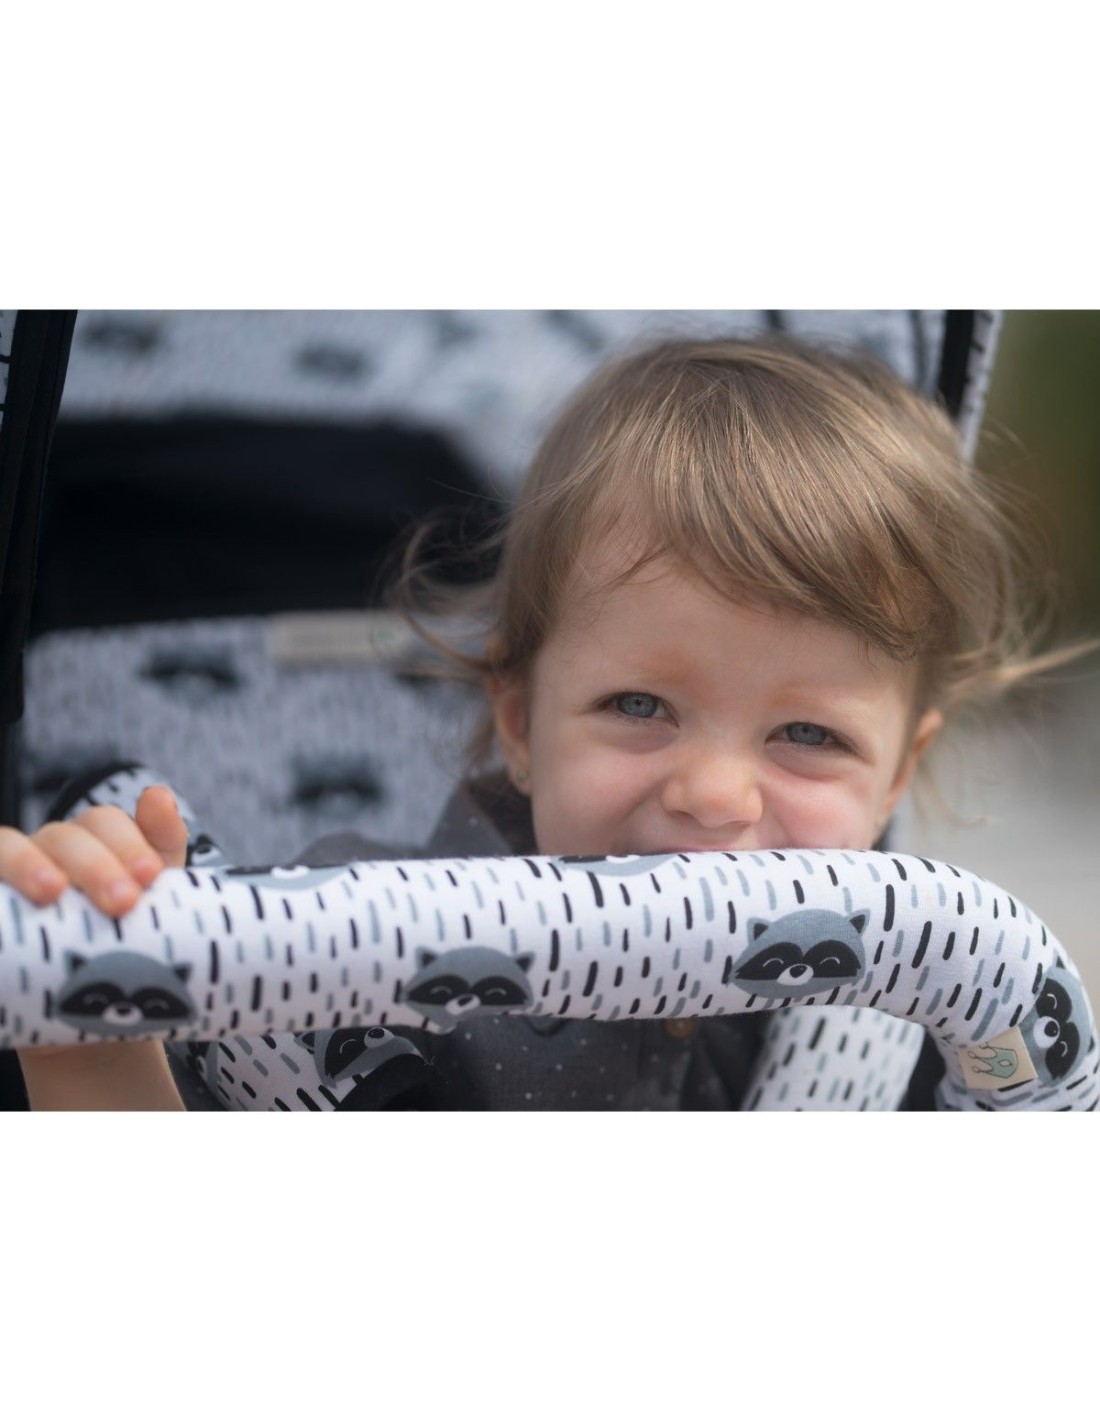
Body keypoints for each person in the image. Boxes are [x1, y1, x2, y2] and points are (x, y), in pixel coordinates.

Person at [5, 336, 1086, 1109]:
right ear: (520, 724)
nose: (714, 797)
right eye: (638, 707)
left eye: (809, 736)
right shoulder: (351, 967)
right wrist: (93, 1032)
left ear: (898, 773)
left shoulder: (916, 1023)